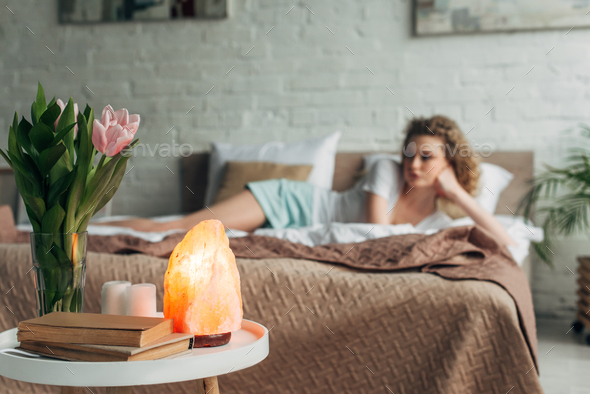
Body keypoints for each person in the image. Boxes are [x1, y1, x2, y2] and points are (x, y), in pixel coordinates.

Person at [107, 115, 515, 247]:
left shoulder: (440, 209)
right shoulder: (385, 171)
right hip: (287, 202)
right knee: (178, 228)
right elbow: (373, 233)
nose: (414, 163)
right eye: (410, 152)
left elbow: (506, 242)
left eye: (427, 157)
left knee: (188, 235)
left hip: (295, 224)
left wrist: (458, 193)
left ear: (447, 162)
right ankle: (90, 227)